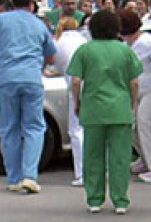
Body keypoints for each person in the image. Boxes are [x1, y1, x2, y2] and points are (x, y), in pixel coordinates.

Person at [0, 0, 57, 194]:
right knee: (34, 127)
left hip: (6, 78)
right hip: (32, 78)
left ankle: (13, 177)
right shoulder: (40, 24)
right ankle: (30, 175)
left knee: (9, 128)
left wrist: (4, 54)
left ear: (12, 0)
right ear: (31, 2)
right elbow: (51, 56)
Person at [67, 10, 142, 214]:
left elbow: (75, 81)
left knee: (93, 155)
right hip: (119, 107)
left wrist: (77, 101)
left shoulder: (84, 50)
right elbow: (134, 82)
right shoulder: (125, 50)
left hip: (93, 108)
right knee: (120, 156)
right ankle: (120, 200)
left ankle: (94, 199)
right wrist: (132, 104)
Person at [118, 10, 151, 181]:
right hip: (135, 90)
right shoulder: (125, 45)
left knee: (145, 123)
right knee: (132, 125)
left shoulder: (149, 43)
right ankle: (144, 158)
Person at [52, 17, 87, 187]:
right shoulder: (85, 41)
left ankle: (82, 173)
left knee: (77, 130)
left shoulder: (59, 44)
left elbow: (58, 68)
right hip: (93, 85)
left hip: (76, 86)